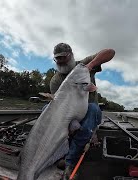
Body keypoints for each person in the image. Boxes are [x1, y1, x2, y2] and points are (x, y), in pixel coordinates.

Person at [50, 43, 115, 180]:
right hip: (67, 115)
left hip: (88, 113)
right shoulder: (55, 80)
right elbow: (57, 107)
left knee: (92, 108)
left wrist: (90, 66)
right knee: (46, 109)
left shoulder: (82, 66)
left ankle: (70, 162)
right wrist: (69, 124)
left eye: (63, 57)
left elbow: (110, 52)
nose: (61, 61)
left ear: (71, 55)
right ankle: (54, 154)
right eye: (58, 59)